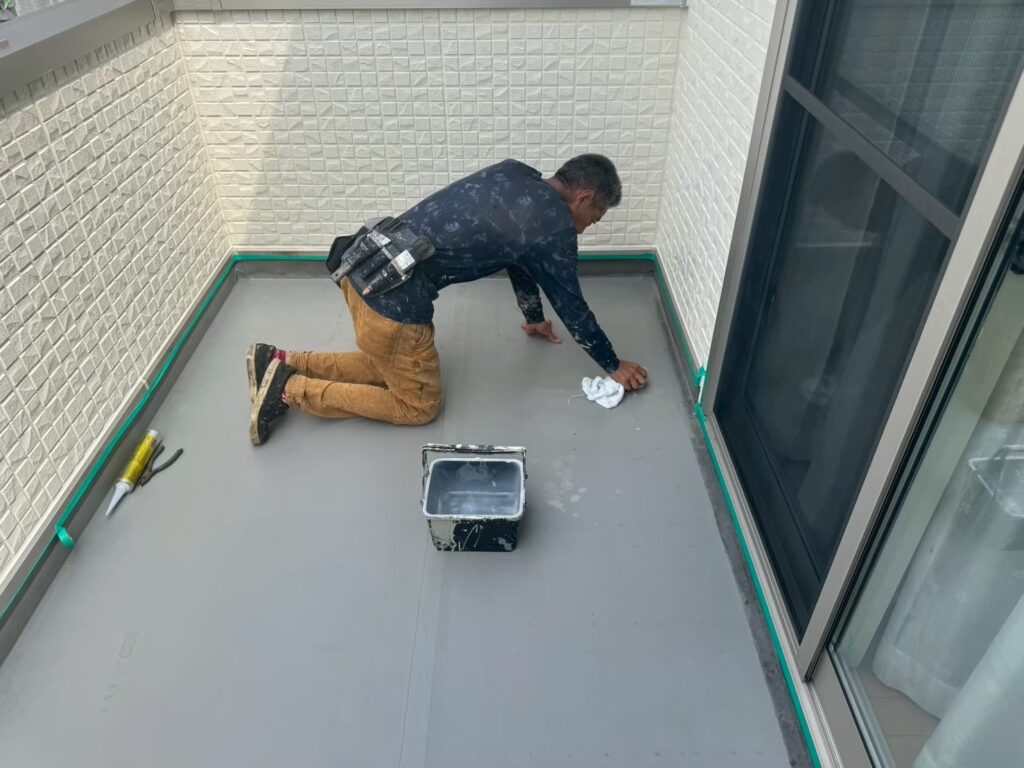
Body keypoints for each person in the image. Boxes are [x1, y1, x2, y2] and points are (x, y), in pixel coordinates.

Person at [247, 154, 648, 445]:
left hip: (361, 266)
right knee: (417, 406)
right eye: (593, 218)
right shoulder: (554, 225)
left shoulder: (513, 172)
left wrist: (533, 317)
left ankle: (281, 359)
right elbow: (573, 306)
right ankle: (289, 390)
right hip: (393, 306)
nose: (585, 229)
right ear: (584, 198)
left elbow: (521, 259)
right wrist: (614, 365)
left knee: (387, 365)